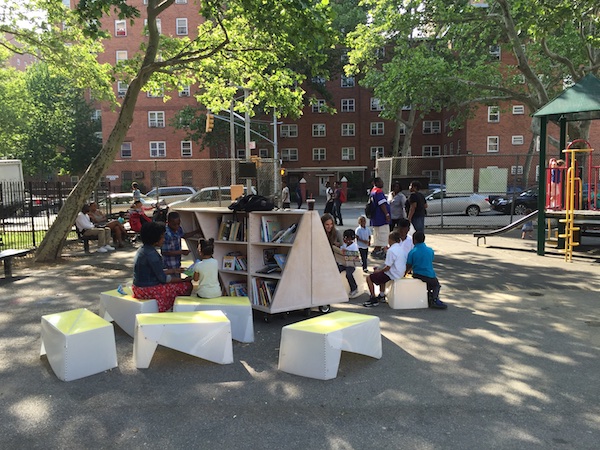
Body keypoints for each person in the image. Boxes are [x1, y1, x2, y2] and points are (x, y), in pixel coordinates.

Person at [132, 221, 193, 312]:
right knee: (187, 286)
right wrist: (184, 280)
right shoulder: (153, 255)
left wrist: (173, 270)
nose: (164, 239)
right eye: (163, 237)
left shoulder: (143, 250)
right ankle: (177, 310)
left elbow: (154, 272)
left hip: (138, 287)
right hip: (147, 289)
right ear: (155, 239)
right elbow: (164, 279)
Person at [363, 230, 407, 307]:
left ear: (390, 240)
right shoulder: (401, 249)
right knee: (381, 275)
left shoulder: (391, 250)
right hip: (400, 272)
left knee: (369, 278)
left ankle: (373, 298)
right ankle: (381, 295)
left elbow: (387, 268)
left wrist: (378, 271)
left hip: (393, 274)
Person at [406, 231, 447, 309]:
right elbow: (430, 260)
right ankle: (434, 298)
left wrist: (405, 273)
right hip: (429, 274)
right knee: (436, 285)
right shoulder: (430, 250)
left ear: (414, 240)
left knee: (427, 284)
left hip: (417, 274)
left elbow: (409, 265)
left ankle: (430, 297)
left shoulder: (412, 252)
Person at [369, 177, 391, 259]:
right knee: (384, 234)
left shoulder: (372, 191)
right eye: (381, 182)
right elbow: (382, 204)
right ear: (377, 182)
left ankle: (376, 250)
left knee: (377, 235)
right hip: (381, 218)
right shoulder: (378, 191)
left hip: (375, 218)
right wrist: (387, 214)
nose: (383, 183)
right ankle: (384, 251)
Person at [338, 229, 361, 299]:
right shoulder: (343, 245)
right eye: (345, 238)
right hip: (343, 263)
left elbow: (355, 256)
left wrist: (346, 252)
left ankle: (354, 288)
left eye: (349, 239)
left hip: (351, 264)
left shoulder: (354, 246)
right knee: (336, 271)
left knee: (348, 274)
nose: (347, 240)